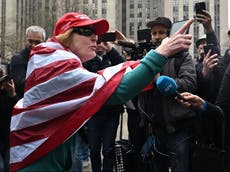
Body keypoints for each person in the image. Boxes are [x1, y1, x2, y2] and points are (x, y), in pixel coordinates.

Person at [9, 12, 193, 172]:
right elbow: (115, 89)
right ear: (66, 35)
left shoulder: (55, 58)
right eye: (87, 32)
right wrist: (161, 53)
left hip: (45, 155)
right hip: (38, 160)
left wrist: (155, 54)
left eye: (96, 33)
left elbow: (108, 76)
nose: (96, 38)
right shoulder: (55, 62)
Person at [137, 17, 197, 172]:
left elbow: (189, 83)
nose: (157, 36)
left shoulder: (183, 57)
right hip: (155, 129)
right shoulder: (147, 58)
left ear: (170, 34)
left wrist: (162, 81)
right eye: (154, 33)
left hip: (177, 129)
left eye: (161, 32)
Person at [83, 39, 125, 172]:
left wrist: (111, 50)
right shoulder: (87, 60)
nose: (99, 45)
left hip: (112, 112)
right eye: (97, 41)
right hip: (94, 113)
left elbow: (124, 67)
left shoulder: (111, 58)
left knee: (108, 149)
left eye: (102, 41)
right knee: (94, 148)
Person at [10, 25, 46, 99]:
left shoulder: (47, 57)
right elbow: (20, 85)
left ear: (43, 42)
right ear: (26, 40)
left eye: (37, 42)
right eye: (30, 41)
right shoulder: (18, 59)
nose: (33, 45)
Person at [0, 67, 17, 172]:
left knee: (10, 167)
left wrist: (12, 94)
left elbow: (16, 114)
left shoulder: (8, 94)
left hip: (8, 140)